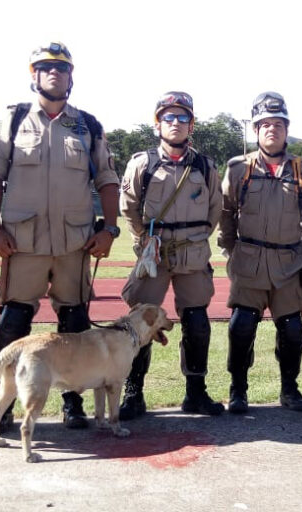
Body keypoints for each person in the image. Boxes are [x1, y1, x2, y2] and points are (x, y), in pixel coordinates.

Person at [0, 42, 120, 432]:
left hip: (75, 244)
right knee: (13, 323)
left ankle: (72, 401)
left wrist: (108, 228)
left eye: (61, 68)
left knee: (74, 325)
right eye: (45, 68)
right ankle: (3, 405)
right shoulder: (13, 120)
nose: (54, 73)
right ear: (34, 75)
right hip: (22, 242)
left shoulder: (87, 125)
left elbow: (107, 179)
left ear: (71, 77)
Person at [117, 92, 224, 420]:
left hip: (191, 254)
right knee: (141, 323)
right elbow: (129, 206)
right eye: (168, 117)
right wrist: (144, 240)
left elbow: (214, 210)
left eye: (182, 118)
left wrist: (192, 240)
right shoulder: (142, 163)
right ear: (157, 124)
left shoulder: (204, 166)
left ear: (191, 125)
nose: (175, 124)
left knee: (197, 322)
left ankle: (195, 393)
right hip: (155, 254)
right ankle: (134, 393)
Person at [218, 92, 302, 414]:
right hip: (249, 261)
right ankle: (238, 390)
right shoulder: (239, 170)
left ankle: (289, 389)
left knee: (292, 329)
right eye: (265, 125)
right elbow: (225, 212)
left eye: (278, 124)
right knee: (241, 327)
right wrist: (231, 249)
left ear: (286, 130)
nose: (272, 130)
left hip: (288, 264)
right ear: (256, 130)